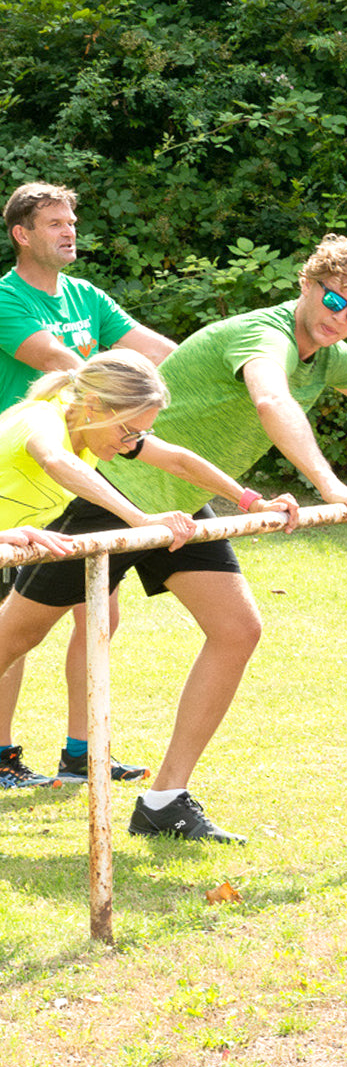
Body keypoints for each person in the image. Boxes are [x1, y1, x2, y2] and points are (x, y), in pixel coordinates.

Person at [16, 233, 347, 841]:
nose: (344, 321)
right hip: (111, 496)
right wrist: (330, 485)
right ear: (309, 284)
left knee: (238, 628)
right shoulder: (266, 335)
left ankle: (164, 799)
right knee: (14, 638)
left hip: (179, 506)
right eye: (336, 302)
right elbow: (271, 399)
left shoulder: (329, 356)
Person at [0, 350, 298, 791]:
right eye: (127, 431)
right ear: (94, 405)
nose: (129, 443)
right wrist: (139, 518)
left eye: (140, 433)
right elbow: (56, 463)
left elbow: (177, 460)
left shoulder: (95, 431)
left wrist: (251, 500)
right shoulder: (44, 420)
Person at [0, 182, 179, 781]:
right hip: (23, 471)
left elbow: (156, 352)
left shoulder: (86, 295)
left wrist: (207, 376)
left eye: (72, 220)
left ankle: (82, 754)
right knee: (12, 626)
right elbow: (69, 370)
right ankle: (1, 754)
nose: (69, 230)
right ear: (22, 234)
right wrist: (130, 394)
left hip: (79, 469)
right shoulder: (7, 298)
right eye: (54, 223)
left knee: (98, 609)